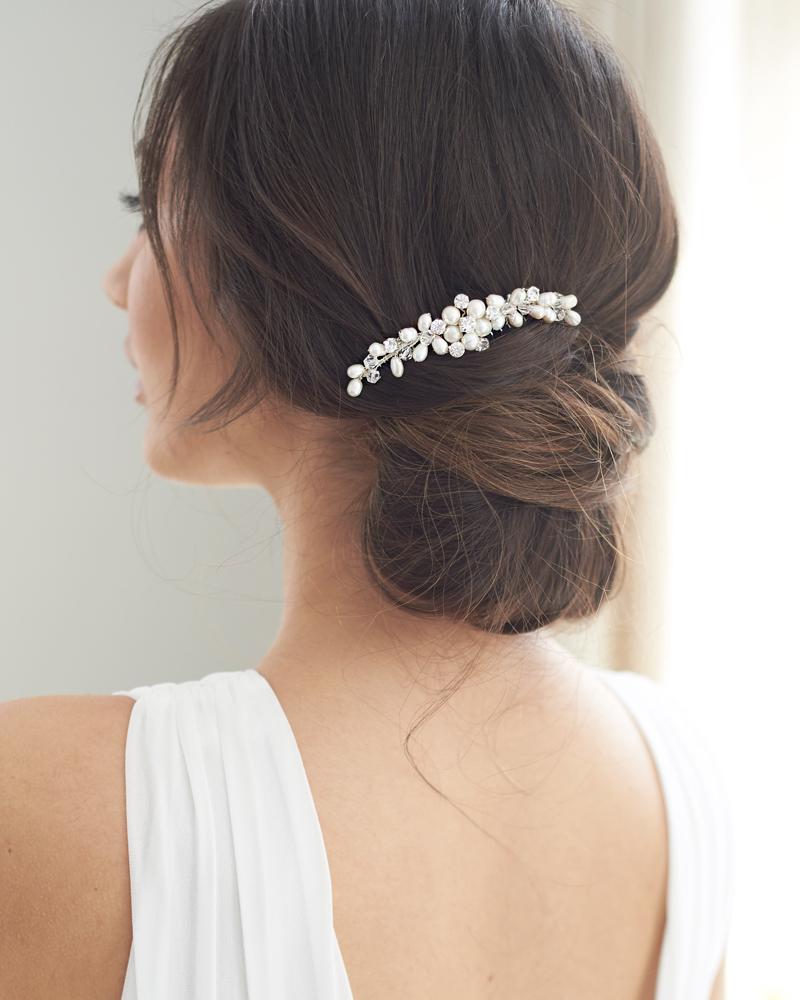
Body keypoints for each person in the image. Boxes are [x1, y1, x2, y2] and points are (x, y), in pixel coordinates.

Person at [0, 0, 735, 997]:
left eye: (149, 210)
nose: (116, 279)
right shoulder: (679, 782)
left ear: (284, 263)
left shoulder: (48, 803)